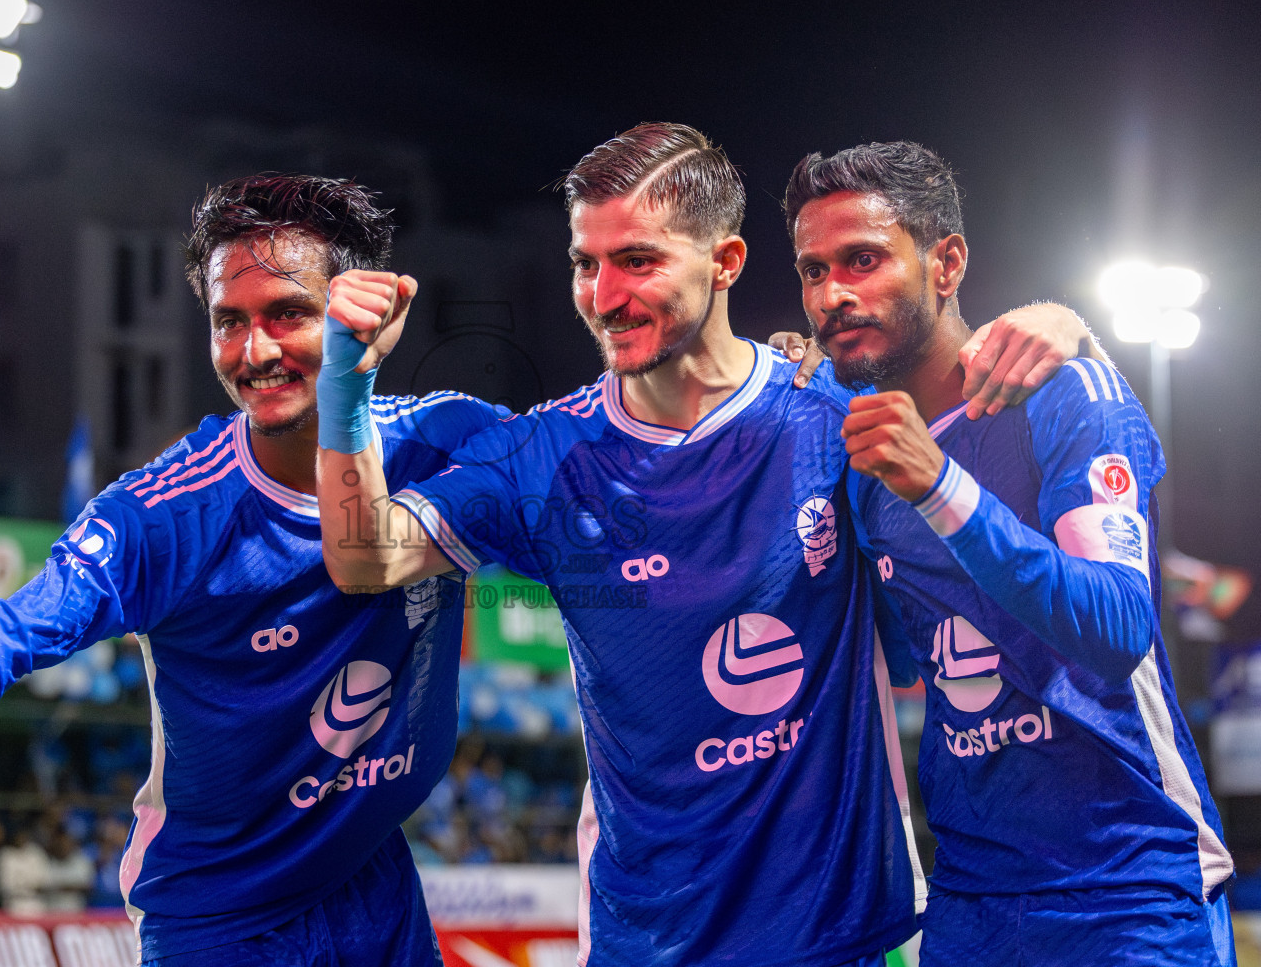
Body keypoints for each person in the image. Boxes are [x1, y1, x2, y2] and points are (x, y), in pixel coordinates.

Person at [314, 123, 1092, 966]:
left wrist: (1057, 322)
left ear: (724, 263)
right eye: (586, 262)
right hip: (645, 941)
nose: (604, 293)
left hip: (837, 938)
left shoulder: (832, 408)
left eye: (638, 260)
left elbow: (953, 372)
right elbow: (364, 557)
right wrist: (345, 383)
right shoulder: (543, 455)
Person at [0, 173, 508, 965]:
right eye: (227, 322)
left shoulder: (447, 442)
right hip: (217, 917)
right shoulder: (159, 515)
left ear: (367, 311)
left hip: (374, 884)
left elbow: (600, 498)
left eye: (288, 314)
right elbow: (16, 633)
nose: (255, 352)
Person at [785, 140, 1235, 966]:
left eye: (863, 260)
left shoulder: (1066, 395)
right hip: (968, 902)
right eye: (814, 271)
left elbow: (1116, 628)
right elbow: (893, 655)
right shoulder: (863, 456)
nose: (833, 294)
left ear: (946, 261)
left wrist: (940, 488)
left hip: (1129, 885)